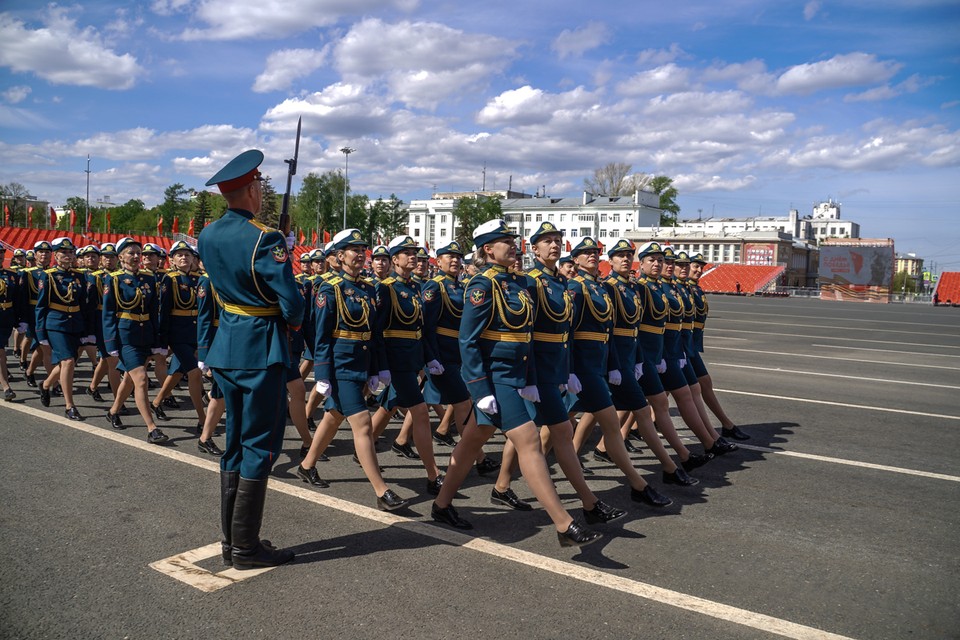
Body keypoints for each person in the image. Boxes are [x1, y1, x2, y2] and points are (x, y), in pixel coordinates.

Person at [431, 219, 601, 548]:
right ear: (487, 249)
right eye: (504, 241)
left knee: (470, 443)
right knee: (529, 442)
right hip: (496, 378)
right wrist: (480, 390)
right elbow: (468, 341)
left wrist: (534, 379)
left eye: (512, 239)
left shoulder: (518, 283)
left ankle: (440, 505)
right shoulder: (482, 285)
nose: (512, 245)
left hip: (517, 373)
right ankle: (564, 524)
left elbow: (529, 336)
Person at [199, 149, 304, 570]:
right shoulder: (266, 238)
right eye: (259, 185)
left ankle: (231, 542)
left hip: (227, 347)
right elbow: (292, 302)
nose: (261, 191)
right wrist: (292, 321)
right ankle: (245, 548)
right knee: (260, 446)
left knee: (235, 444)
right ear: (251, 188)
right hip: (261, 348)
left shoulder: (207, 235)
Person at [301, 228, 410, 510]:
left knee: (334, 415)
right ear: (339, 256)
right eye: (354, 250)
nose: (361, 254)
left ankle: (307, 465)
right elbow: (321, 334)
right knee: (362, 423)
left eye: (363, 250)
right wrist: (322, 374)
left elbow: (373, 334)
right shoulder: (329, 288)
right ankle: (382, 490)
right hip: (339, 365)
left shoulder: (368, 288)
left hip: (360, 362)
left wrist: (378, 369)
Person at [373, 235, 444, 493]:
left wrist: (429, 358)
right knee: (421, 412)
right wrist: (379, 366)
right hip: (396, 359)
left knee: (387, 407)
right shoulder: (386, 287)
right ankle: (432, 474)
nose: (413, 256)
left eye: (415, 252)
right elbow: (377, 331)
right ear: (395, 259)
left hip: (412, 357)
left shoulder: (415, 287)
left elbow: (420, 328)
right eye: (407, 252)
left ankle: (364, 446)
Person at [102, 237, 169, 442]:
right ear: (120, 256)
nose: (136, 256)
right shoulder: (114, 279)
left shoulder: (149, 279)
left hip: (145, 334)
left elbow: (153, 310)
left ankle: (113, 411)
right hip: (125, 336)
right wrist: (111, 343)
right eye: (131, 253)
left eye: (138, 253)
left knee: (131, 378)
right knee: (141, 379)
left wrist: (158, 339)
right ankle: (151, 428)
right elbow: (108, 313)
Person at [686, 253, 749, 440]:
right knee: (657, 395)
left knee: (660, 395)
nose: (698, 270)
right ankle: (719, 431)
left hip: (690, 344)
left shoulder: (695, 289)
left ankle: (722, 428)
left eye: (701, 267)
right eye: (695, 266)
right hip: (680, 346)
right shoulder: (681, 289)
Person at [35, 237, 92, 421]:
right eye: (63, 253)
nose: (68, 256)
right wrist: (40, 332)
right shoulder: (48, 275)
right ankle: (70, 406)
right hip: (55, 323)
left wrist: (85, 328)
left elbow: (83, 303)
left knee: (67, 362)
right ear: (56, 255)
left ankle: (45, 385)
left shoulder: (79, 276)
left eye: (70, 252)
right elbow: (41, 306)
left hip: (74, 323)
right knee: (68, 361)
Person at [0, 246, 20, 401]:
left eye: (1, 253)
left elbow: (18, 299)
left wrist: (20, 319)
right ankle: (6, 386)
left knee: (2, 351)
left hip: (7, 316)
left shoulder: (11, 275)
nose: (0, 256)